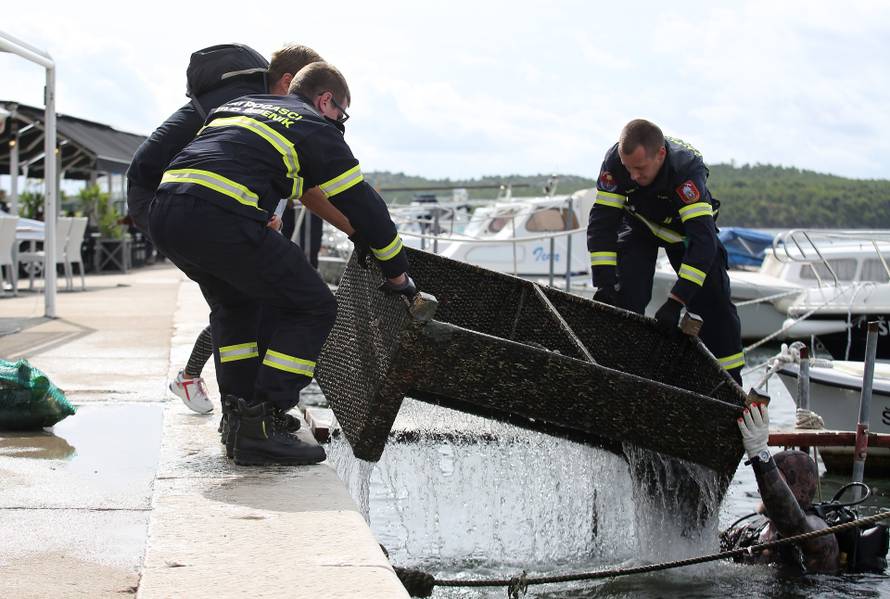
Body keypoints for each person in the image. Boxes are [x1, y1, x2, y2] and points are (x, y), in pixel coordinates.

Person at [149, 62, 414, 466]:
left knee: (236, 307)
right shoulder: (315, 127)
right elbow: (364, 205)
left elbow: (232, 162)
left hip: (168, 213)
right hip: (219, 215)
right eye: (341, 114)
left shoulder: (241, 106)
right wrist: (397, 273)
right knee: (314, 306)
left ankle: (240, 416)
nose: (340, 123)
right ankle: (265, 418)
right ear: (325, 100)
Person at [127, 43, 352, 415]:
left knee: (240, 303)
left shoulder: (250, 102)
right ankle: (252, 411)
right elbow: (310, 191)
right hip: (161, 199)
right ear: (287, 83)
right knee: (254, 300)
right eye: (309, 94)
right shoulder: (252, 105)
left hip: (173, 199)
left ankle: (239, 407)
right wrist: (356, 231)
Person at [586, 119, 744, 385]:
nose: (632, 176)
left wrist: (676, 301)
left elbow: (703, 243)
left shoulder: (685, 171)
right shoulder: (615, 162)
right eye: (628, 168)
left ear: (660, 154)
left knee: (715, 307)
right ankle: (618, 377)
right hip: (640, 228)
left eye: (640, 168)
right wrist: (604, 282)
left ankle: (730, 385)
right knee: (625, 299)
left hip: (684, 236)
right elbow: (603, 223)